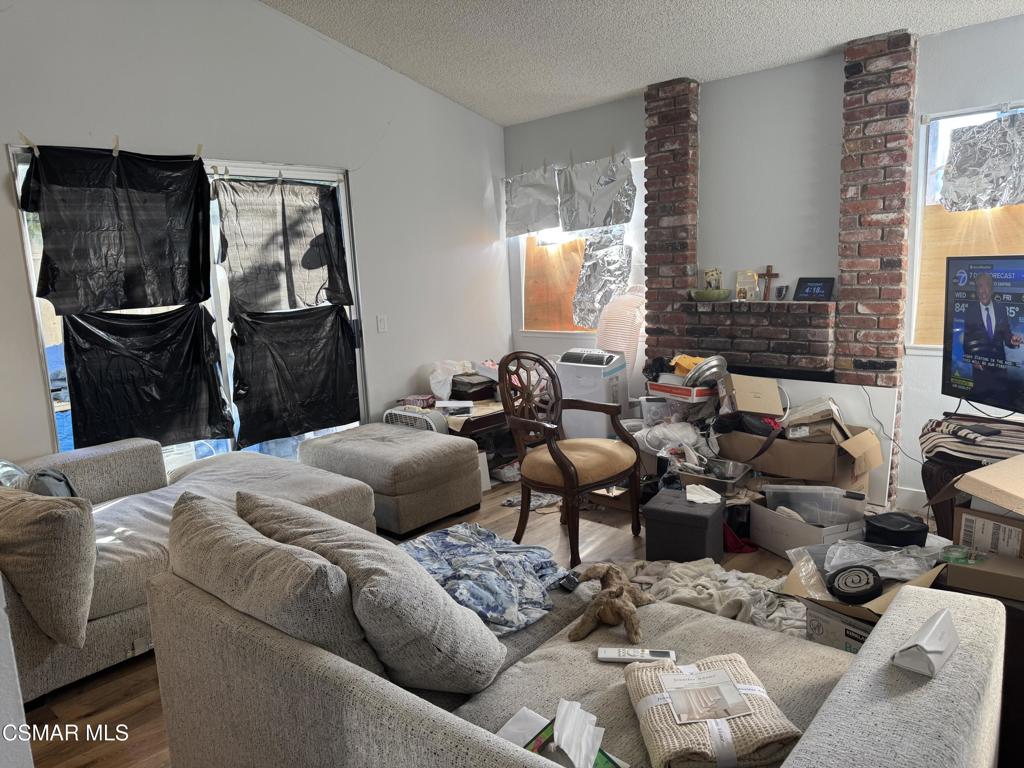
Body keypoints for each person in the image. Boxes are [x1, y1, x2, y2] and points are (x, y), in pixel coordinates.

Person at [962, 271, 1023, 402]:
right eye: (980, 286)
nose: (983, 291)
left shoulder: (1001, 309)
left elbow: (1007, 336)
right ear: (976, 290)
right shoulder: (970, 312)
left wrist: (1013, 341)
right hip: (980, 375)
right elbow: (967, 342)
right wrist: (972, 359)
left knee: (1002, 404)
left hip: (1000, 375)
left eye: (987, 286)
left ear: (992, 289)